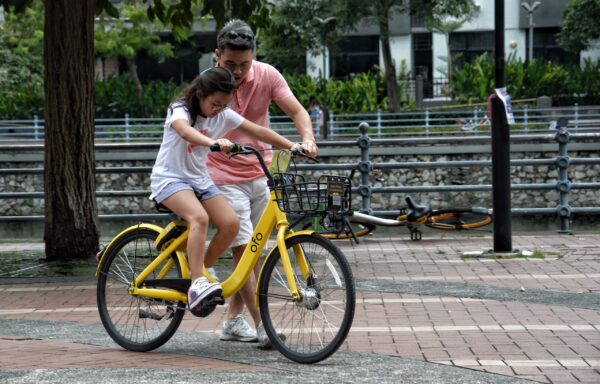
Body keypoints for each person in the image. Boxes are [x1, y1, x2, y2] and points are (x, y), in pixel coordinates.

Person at [149, 67, 301, 315]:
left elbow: (259, 131)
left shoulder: (224, 114)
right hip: (170, 179)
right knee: (199, 218)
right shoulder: (180, 109)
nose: (218, 110)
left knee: (231, 223)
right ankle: (197, 283)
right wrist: (213, 143)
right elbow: (184, 130)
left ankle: (200, 269)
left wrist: (294, 145)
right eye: (215, 104)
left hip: (199, 180)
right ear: (200, 94)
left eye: (224, 105)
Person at [207, 19, 318, 347]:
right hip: (221, 175)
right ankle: (263, 325)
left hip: (261, 172)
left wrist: (307, 139)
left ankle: (231, 321)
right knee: (244, 249)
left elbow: (298, 111)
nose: (238, 72)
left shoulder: (267, 75)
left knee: (253, 254)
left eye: (244, 64)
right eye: (230, 64)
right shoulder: (209, 82)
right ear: (217, 56)